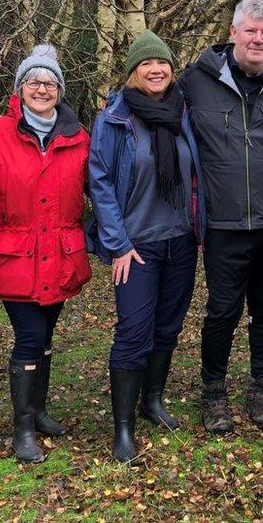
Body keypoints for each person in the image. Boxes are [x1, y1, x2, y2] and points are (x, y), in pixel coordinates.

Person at [177, 0, 263, 434]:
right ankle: (214, 391)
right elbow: (153, 108)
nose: (258, 39)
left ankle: (261, 387)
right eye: (251, 30)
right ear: (234, 32)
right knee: (222, 311)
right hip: (223, 223)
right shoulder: (195, 82)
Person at [87, 30, 206, 461]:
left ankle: (152, 401)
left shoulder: (184, 112)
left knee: (168, 327)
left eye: (163, 64)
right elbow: (98, 182)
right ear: (133, 71)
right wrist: (117, 244)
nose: (156, 71)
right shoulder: (114, 118)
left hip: (181, 241)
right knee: (133, 332)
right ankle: (123, 426)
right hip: (135, 247)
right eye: (146, 64)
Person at [0, 44, 92, 463]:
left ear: (60, 90)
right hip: (17, 256)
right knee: (28, 337)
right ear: (20, 88)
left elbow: (96, 191)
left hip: (61, 254)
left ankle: (40, 411)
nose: (41, 88)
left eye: (49, 82)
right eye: (33, 81)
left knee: (45, 337)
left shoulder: (77, 137)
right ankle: (22, 429)